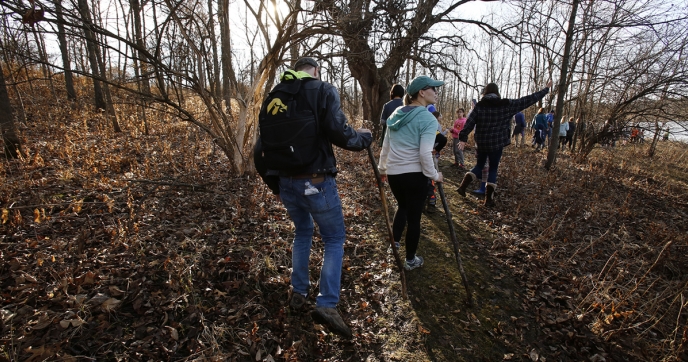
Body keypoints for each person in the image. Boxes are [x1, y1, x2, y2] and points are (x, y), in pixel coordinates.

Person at [254, 57, 372, 338]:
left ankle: (299, 291)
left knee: (303, 232)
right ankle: (328, 304)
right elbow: (339, 131)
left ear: (296, 71)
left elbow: (260, 149)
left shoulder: (274, 97)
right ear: (316, 70)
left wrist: (276, 187)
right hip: (317, 180)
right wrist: (363, 138)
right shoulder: (321, 89)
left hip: (286, 182)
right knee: (333, 238)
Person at [378, 75, 444, 270]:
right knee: (414, 217)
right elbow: (425, 153)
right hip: (415, 175)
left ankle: (395, 243)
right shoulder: (427, 118)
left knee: (403, 206)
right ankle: (410, 260)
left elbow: (385, 147)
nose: (436, 92)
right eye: (433, 89)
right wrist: (434, 175)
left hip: (394, 174)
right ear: (421, 93)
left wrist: (382, 170)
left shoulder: (396, 114)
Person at [456, 80, 552, 207]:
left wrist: (463, 138)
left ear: (485, 93)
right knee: (493, 168)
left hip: (482, 143)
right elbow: (528, 100)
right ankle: (488, 200)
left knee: (479, 165)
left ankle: (462, 187)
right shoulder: (506, 104)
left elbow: (469, 123)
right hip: (497, 143)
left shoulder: (480, 106)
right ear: (497, 92)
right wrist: (545, 90)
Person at [426, 111, 448, 213]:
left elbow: (443, 139)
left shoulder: (425, 127)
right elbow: (443, 139)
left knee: (427, 179)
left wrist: (436, 150)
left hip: (423, 158)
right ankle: (430, 200)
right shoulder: (431, 128)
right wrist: (437, 150)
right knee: (429, 178)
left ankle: (430, 200)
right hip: (428, 157)